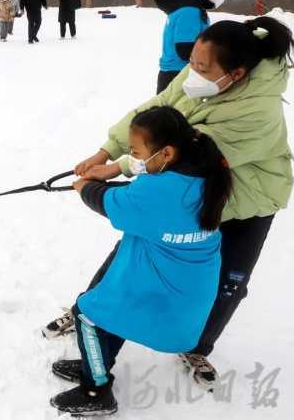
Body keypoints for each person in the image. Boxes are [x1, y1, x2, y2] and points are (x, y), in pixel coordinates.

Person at [49, 16, 294, 391]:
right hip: (189, 186)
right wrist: (105, 152)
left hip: (245, 199)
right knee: (132, 249)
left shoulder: (256, 112)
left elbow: (184, 156)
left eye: (201, 67)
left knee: (226, 279)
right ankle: (92, 313)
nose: (191, 73)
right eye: (191, 63)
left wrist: (114, 171)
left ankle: (196, 344)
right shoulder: (202, 73)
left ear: (237, 74)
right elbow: (158, 107)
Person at [50, 106, 232, 416]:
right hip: (181, 285)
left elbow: (111, 203)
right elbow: (148, 199)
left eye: (136, 151)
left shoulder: (158, 189)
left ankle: (96, 389)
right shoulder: (205, 170)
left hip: (164, 294)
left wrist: (84, 187)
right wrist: (105, 179)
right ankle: (97, 363)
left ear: (166, 153)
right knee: (115, 307)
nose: (132, 158)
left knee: (87, 313)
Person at [154, 0, 236, 94]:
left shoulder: (188, 5)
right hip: (178, 77)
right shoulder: (190, 10)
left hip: (176, 75)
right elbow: (185, 50)